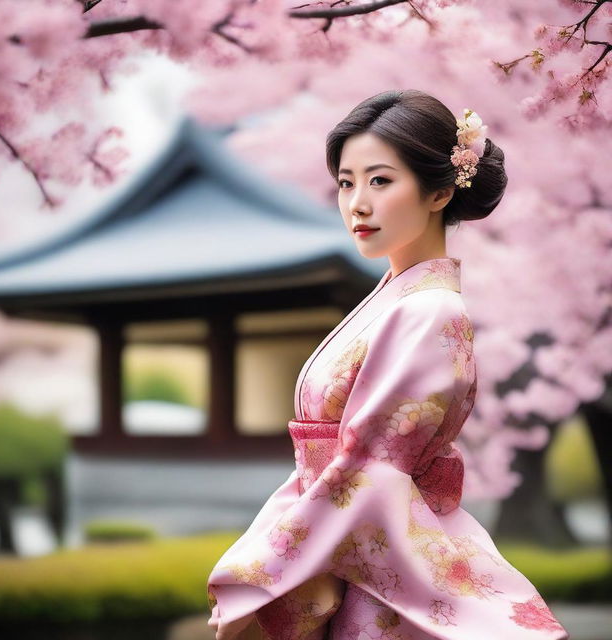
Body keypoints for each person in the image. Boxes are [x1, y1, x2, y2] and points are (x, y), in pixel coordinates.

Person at [206, 89, 570, 640]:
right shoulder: (397, 298)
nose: (357, 203)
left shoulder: (431, 311)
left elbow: (368, 471)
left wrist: (280, 572)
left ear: (440, 191)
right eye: (346, 183)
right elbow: (333, 464)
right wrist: (273, 555)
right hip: (345, 540)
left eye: (380, 180)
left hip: (370, 566)